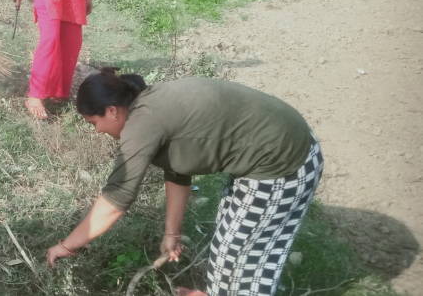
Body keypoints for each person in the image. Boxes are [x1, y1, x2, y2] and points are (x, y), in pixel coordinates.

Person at [46, 70, 324, 296]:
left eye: (94, 122)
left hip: (282, 161)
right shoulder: (146, 104)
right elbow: (178, 171)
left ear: (112, 111)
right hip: (267, 152)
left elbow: (117, 198)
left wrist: (67, 245)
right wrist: (172, 234)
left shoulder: (141, 124)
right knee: (228, 246)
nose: (97, 131)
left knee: (244, 256)